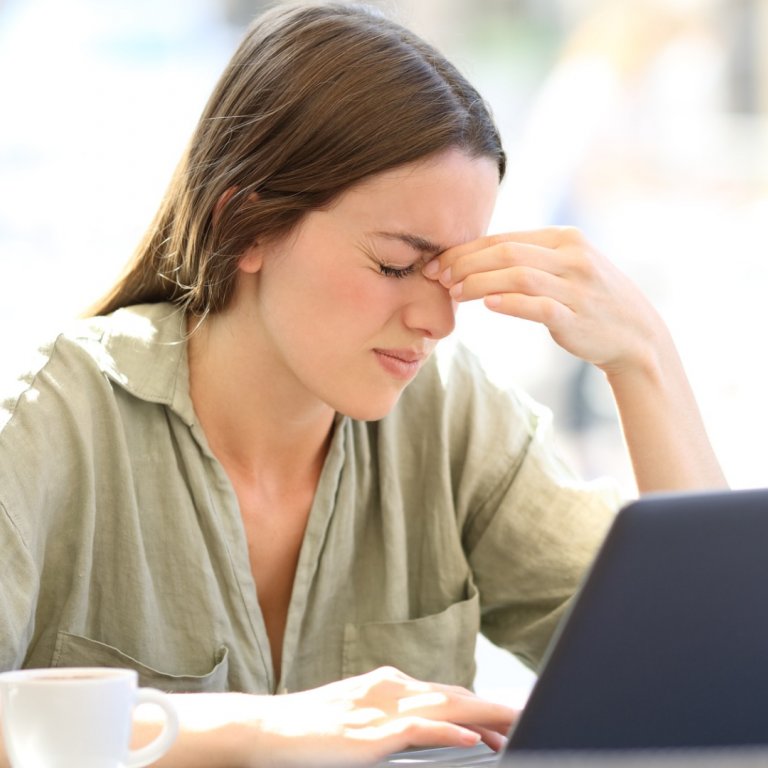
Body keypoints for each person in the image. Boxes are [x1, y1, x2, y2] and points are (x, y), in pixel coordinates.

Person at [0, 2, 726, 766]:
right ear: (246, 226)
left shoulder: (451, 417)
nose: (438, 319)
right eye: (394, 264)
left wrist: (643, 360)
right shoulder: (53, 421)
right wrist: (256, 730)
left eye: (452, 270)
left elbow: (708, 677)